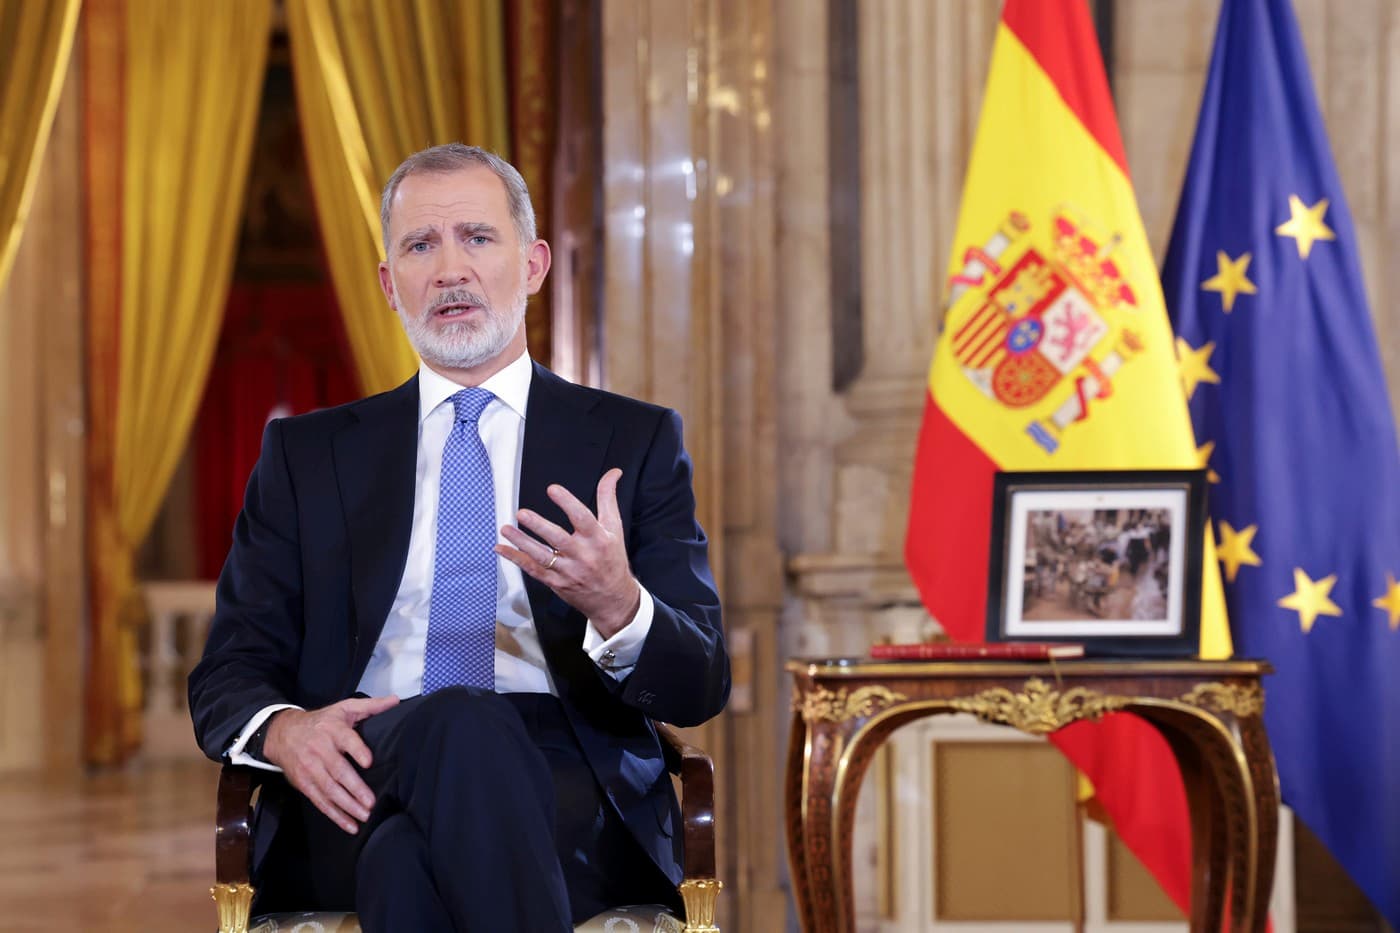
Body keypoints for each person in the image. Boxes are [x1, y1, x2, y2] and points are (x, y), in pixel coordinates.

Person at [188, 143, 730, 932]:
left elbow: (701, 682)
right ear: (388, 283)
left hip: (568, 791)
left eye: (477, 237)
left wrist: (620, 607)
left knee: (406, 861)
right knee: (458, 720)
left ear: (534, 264)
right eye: (419, 245)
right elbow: (227, 668)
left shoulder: (631, 440)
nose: (450, 270)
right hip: (360, 764)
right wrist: (285, 727)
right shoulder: (307, 457)